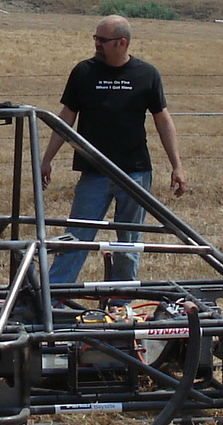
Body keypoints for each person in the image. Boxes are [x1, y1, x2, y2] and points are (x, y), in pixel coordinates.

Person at [38, 15, 188, 284]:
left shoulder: (147, 74)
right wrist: (47, 159)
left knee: (129, 243)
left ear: (122, 42)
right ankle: (54, 297)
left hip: (135, 174)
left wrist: (176, 165)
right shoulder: (83, 72)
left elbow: (163, 120)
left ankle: (122, 299)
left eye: (102, 40)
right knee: (75, 237)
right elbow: (66, 117)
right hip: (93, 173)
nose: (96, 44)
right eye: (95, 38)